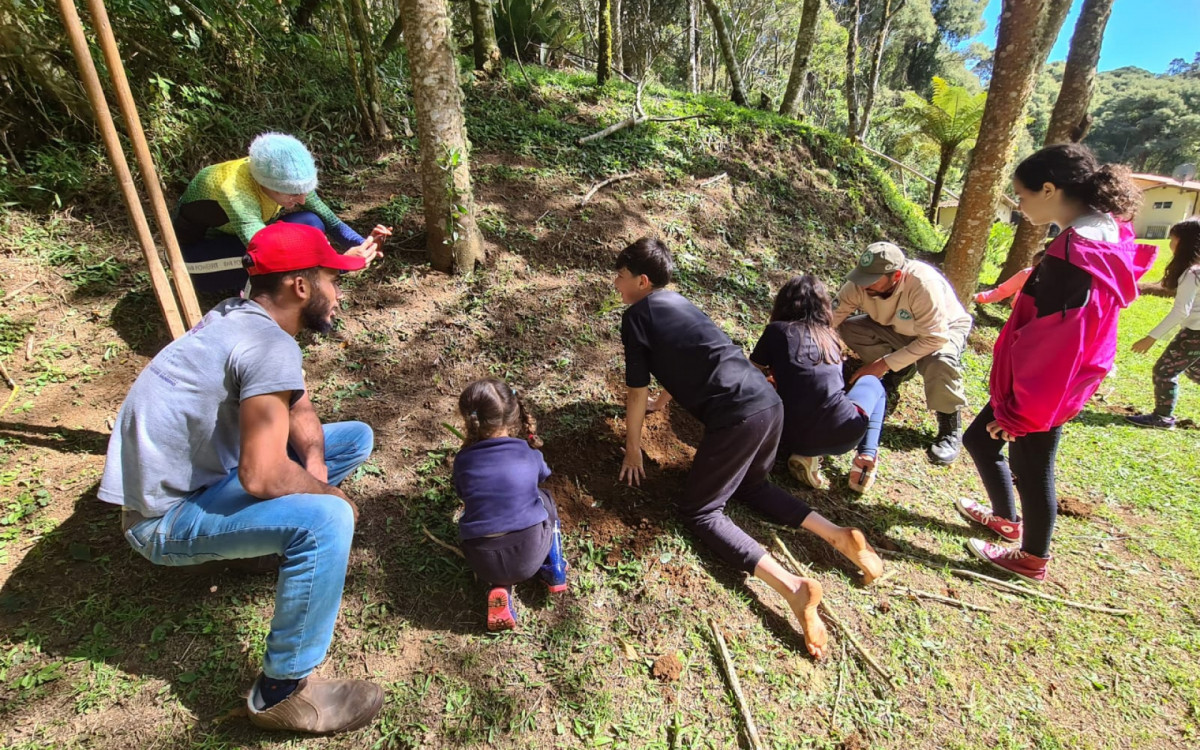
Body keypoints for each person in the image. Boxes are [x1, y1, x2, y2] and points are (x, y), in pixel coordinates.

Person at [98, 222, 384, 734]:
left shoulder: (240, 315)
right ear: (301, 286)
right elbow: (261, 474)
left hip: (205, 478)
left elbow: (299, 408)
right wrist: (328, 493)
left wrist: (316, 468)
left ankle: (258, 545)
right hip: (163, 519)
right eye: (331, 280)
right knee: (327, 520)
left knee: (353, 439)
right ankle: (281, 692)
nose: (338, 294)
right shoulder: (266, 345)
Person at [614, 237, 884, 659]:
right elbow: (689, 359)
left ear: (642, 281)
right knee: (752, 486)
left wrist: (632, 447)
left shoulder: (635, 317)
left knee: (701, 511)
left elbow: (635, 388)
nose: (617, 283)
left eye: (622, 275)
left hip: (737, 415)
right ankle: (837, 535)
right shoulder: (678, 304)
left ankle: (792, 589)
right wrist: (662, 404)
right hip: (769, 404)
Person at [955, 143, 1155, 583]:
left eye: (1023, 197)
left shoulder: (1074, 254)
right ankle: (1006, 519)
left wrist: (1021, 414)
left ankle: (1030, 559)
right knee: (980, 440)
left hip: (1043, 391)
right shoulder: (1106, 233)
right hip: (1051, 384)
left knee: (1032, 466)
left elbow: (1058, 345)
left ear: (1049, 189)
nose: (1021, 206)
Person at [174, 132, 391, 292]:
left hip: (233, 241)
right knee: (280, 260)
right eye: (293, 195)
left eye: (305, 191)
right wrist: (340, 264)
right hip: (191, 263)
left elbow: (331, 222)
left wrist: (363, 243)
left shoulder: (286, 180)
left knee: (310, 221)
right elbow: (268, 251)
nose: (302, 199)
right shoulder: (233, 189)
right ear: (263, 184)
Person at [830, 241, 973, 465]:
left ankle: (949, 427)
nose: (863, 284)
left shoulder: (923, 284)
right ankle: (902, 368)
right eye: (862, 276)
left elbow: (934, 337)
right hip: (896, 327)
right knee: (851, 328)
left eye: (872, 279)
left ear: (896, 275)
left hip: (942, 329)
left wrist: (882, 364)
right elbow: (830, 320)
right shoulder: (860, 283)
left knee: (939, 361)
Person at [750, 275, 887, 493]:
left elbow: (751, 373)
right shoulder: (830, 338)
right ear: (823, 308)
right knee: (873, 382)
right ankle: (866, 456)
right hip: (844, 435)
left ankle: (805, 451)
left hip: (785, 435)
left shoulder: (777, 331)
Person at [452, 378, 568, 632]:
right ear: (513, 415)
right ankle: (554, 566)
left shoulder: (463, 460)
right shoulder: (527, 452)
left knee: (489, 523)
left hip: (482, 560)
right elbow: (543, 475)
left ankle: (500, 588)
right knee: (545, 498)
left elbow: (461, 492)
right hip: (530, 555)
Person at [1127, 217, 1200, 429]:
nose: (1170, 244)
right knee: (1194, 371)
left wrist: (1151, 338)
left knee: (1164, 372)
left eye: (1173, 239)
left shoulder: (1192, 274)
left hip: (1194, 334)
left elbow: (1180, 311)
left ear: (1185, 243)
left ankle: (1162, 417)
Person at [973, 251, 1045, 308]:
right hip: (1019, 317)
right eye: (1035, 266)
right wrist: (978, 297)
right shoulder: (1026, 274)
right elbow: (1002, 291)